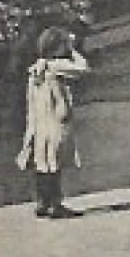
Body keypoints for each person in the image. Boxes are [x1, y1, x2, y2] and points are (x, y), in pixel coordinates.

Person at [16, 25, 91, 219]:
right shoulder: (56, 66)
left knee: (42, 160)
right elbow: (83, 68)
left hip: (40, 121)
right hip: (56, 119)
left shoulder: (35, 70)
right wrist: (74, 50)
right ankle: (56, 204)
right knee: (55, 161)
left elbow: (30, 100)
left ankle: (43, 202)